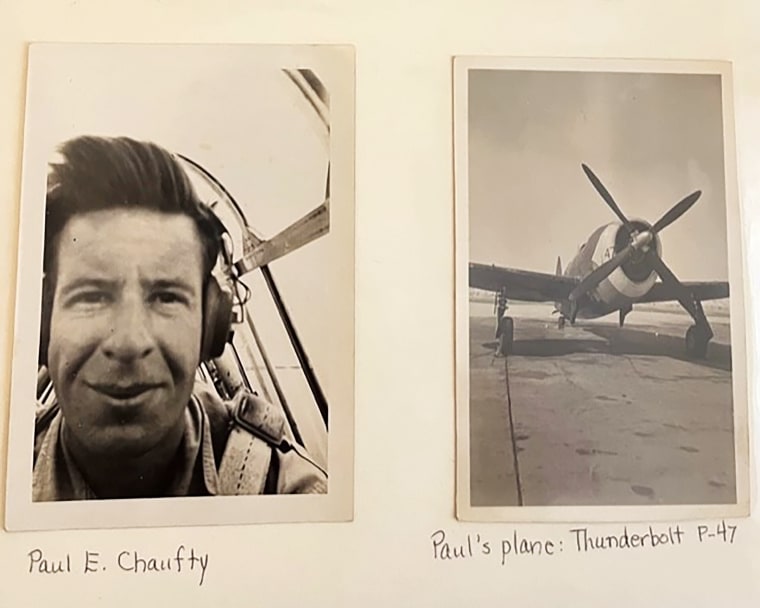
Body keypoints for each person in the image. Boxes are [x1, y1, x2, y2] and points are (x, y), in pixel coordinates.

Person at [33, 135, 327, 500]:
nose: (128, 342)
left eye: (166, 297)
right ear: (43, 321)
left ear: (211, 325)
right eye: (92, 296)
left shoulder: (289, 495)